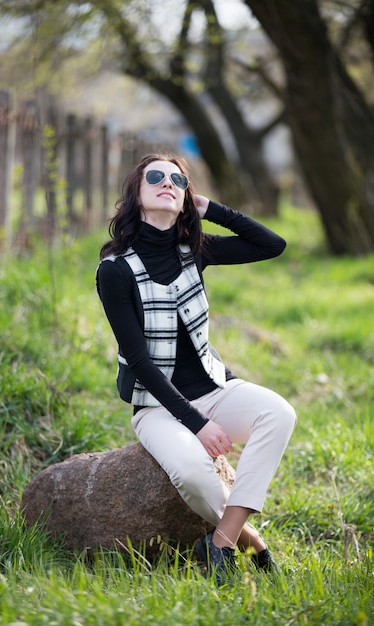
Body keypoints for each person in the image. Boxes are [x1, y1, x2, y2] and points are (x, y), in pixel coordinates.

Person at [96, 152, 297, 585]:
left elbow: (272, 245)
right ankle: (253, 541)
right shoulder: (115, 271)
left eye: (177, 180)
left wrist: (210, 208)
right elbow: (138, 359)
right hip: (156, 407)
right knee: (193, 474)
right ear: (135, 192)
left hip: (214, 387)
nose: (167, 182)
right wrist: (197, 423)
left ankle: (221, 542)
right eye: (155, 177)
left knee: (279, 413)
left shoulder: (196, 251)